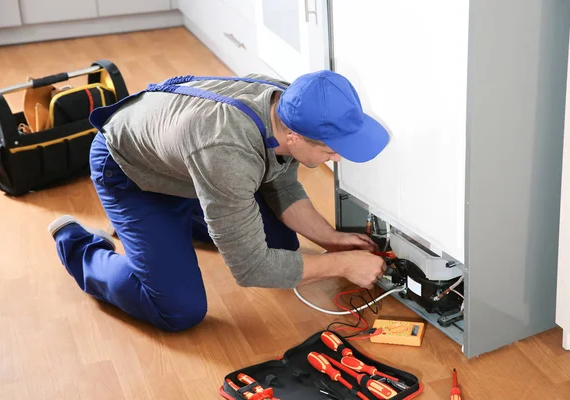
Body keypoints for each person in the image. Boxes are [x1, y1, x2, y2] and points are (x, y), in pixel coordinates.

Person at [47, 70, 390, 332]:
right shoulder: (226, 153)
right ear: (294, 137)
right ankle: (78, 244)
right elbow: (252, 268)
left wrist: (331, 239)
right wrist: (343, 265)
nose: (338, 159)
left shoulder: (286, 102)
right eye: (330, 151)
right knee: (178, 310)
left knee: (282, 244)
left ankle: (167, 233)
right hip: (130, 172)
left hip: (189, 166)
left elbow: (281, 184)